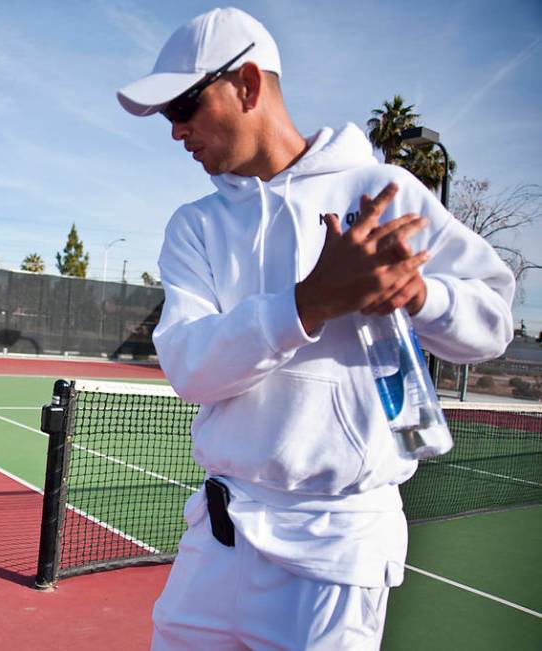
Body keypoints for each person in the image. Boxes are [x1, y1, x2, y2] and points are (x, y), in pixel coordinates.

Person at [117, 7, 514, 650]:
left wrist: (419, 294)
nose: (177, 131)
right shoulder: (194, 226)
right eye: (168, 115)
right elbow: (191, 370)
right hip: (217, 540)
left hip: (338, 551)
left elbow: (492, 322)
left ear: (248, 84)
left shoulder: (383, 190)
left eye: (185, 105)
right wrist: (308, 303)